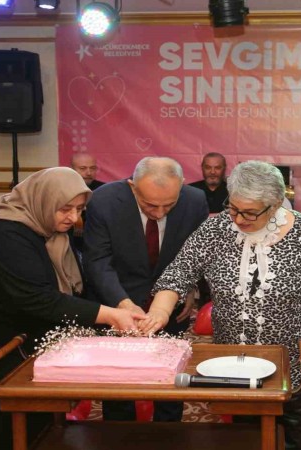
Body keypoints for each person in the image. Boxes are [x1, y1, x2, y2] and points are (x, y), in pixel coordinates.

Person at [0, 167, 145, 450]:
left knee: (28, 417)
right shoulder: (5, 231)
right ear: (43, 199)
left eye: (79, 209)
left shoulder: (45, 226)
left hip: (12, 326)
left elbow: (65, 287)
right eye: (65, 209)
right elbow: (36, 298)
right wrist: (110, 315)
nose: (73, 218)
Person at [139, 160, 301, 450]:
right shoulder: (215, 230)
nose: (238, 219)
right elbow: (179, 273)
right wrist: (159, 311)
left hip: (292, 354)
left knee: (292, 425)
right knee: (244, 430)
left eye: (250, 212)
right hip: (234, 356)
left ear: (275, 204)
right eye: (233, 208)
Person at [83, 156, 208, 422]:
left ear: (181, 185)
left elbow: (195, 256)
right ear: (132, 186)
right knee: (118, 383)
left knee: (171, 380)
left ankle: (168, 434)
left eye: (169, 205)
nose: (160, 213)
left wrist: (187, 289)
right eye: (150, 204)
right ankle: (120, 434)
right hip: (117, 297)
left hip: (170, 303)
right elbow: (98, 261)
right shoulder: (103, 200)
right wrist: (123, 304)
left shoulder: (195, 200)